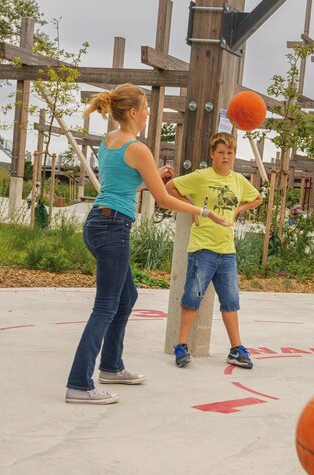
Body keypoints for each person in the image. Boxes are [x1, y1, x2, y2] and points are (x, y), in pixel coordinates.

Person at [66, 84, 228, 404]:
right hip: (112, 228)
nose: (148, 113)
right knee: (106, 306)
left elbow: (121, 185)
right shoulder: (138, 149)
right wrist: (202, 211)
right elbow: (164, 199)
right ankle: (79, 385)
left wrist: (150, 176)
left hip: (99, 222)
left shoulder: (110, 140)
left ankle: (111, 367)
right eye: (145, 108)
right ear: (132, 112)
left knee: (127, 296)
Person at [166, 132, 263, 369]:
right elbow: (170, 187)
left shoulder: (238, 180)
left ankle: (236, 349)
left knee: (231, 301)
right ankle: (181, 346)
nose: (225, 157)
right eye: (221, 152)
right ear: (212, 154)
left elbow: (258, 198)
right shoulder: (201, 176)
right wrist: (192, 209)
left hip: (227, 251)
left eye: (230, 153)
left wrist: (239, 209)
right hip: (203, 249)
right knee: (192, 297)